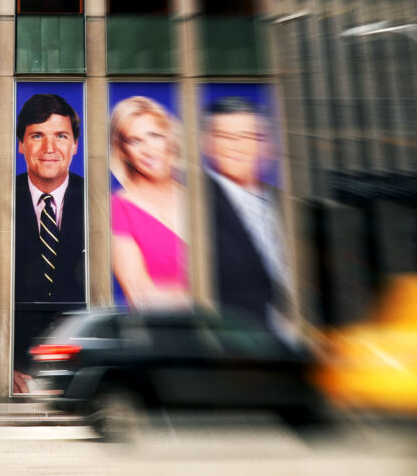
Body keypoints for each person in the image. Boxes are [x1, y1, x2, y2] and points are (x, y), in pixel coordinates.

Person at [14, 93, 86, 391]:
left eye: (60, 135)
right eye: (37, 136)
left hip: (81, 370)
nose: (49, 148)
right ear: (21, 145)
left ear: (75, 145)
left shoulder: (98, 200)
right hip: (15, 370)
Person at [203, 97, 292, 334]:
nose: (237, 146)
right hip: (239, 341)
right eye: (225, 137)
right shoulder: (199, 202)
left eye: (249, 136)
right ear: (208, 143)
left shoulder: (284, 201)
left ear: (267, 143)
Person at [109, 96, 189, 309]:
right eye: (135, 141)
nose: (147, 150)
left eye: (154, 136)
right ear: (124, 152)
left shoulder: (201, 199)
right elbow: (141, 297)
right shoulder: (118, 208)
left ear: (170, 139)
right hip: (161, 335)